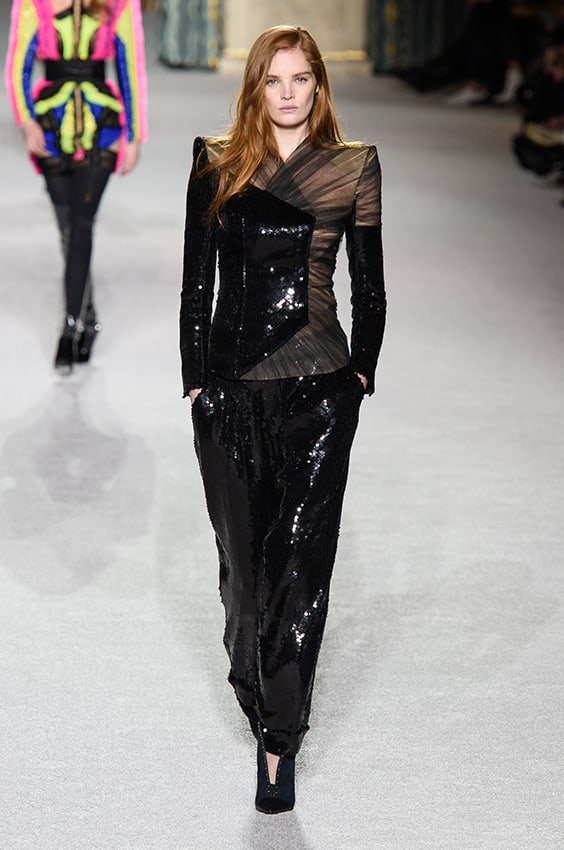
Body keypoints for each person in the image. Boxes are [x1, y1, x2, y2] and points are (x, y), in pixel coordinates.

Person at [180, 25, 386, 814]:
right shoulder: (216, 162)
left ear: (319, 86)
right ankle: (255, 683)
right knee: (244, 572)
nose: (289, 92)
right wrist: (196, 383)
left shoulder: (353, 167)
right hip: (232, 389)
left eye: (302, 78)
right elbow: (196, 284)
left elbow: (369, 284)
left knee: (300, 564)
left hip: (319, 392)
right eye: (274, 79)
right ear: (256, 88)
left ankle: (280, 739)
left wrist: (360, 373)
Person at [5, 0, 147, 374]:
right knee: (67, 229)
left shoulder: (118, 4)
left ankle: (70, 327)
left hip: (103, 126)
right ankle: (90, 315)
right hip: (50, 127)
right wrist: (26, 121)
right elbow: (17, 64)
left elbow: (130, 67)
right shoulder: (34, 3)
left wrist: (134, 135)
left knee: (82, 223)